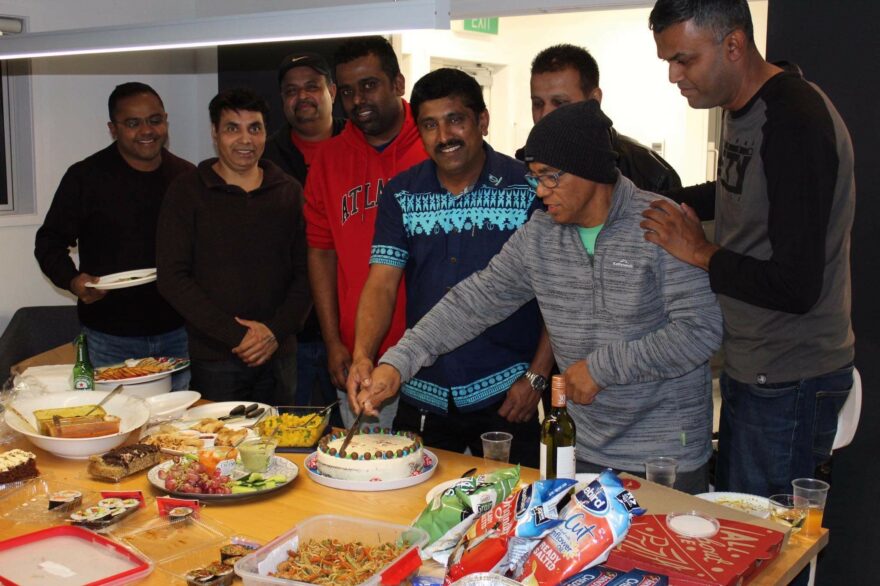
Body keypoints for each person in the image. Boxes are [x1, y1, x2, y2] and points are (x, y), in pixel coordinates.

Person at [355, 100, 723, 494]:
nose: (540, 191)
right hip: (585, 449)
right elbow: (472, 302)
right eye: (534, 178)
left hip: (666, 455)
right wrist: (398, 362)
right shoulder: (540, 234)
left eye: (550, 177)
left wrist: (601, 369)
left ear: (591, 170)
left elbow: (699, 331)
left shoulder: (660, 223)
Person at [643, 0, 855, 498]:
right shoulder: (741, 109)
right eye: (668, 61)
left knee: (767, 553)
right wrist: (650, 200)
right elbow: (736, 194)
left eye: (684, 59)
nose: (674, 75)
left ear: (733, 45)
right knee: (742, 527)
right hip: (754, 367)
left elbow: (796, 285)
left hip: (788, 376)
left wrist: (699, 252)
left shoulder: (794, 122)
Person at [345, 68, 552, 465]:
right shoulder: (401, 193)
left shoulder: (529, 189)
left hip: (508, 394)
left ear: (482, 121)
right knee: (411, 511)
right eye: (429, 125)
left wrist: (536, 377)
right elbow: (382, 283)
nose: (444, 137)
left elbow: (556, 296)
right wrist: (363, 355)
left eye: (455, 119)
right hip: (422, 392)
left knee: (516, 514)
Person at [34, 82, 194, 389]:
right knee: (120, 425)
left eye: (155, 120)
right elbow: (49, 242)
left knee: (178, 429)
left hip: (179, 331)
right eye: (132, 123)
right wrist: (73, 281)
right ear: (113, 128)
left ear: (165, 120)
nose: (146, 130)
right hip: (111, 335)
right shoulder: (85, 177)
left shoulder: (186, 177)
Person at [304, 36, 428, 427]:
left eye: (369, 85)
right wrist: (333, 341)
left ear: (397, 83)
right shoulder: (328, 159)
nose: (358, 100)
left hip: (433, 354)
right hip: (361, 358)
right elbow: (321, 253)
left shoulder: (434, 146)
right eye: (347, 91)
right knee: (369, 474)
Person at [157, 88, 311, 402]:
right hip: (215, 358)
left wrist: (272, 332)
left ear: (266, 132)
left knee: (284, 447)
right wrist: (238, 335)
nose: (245, 140)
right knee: (219, 449)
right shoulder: (187, 191)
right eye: (232, 128)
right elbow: (172, 277)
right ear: (215, 133)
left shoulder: (289, 191)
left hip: (279, 353)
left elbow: (308, 273)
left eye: (255, 128)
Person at [262, 52, 344, 410]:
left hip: (356, 323)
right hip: (290, 330)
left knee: (354, 435)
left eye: (312, 86)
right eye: (291, 90)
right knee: (294, 429)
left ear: (333, 91)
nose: (302, 96)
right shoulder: (265, 157)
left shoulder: (358, 146)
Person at [521, 44, 682, 193]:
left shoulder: (650, 174)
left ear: (594, 100)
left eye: (560, 103)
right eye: (537, 103)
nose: (545, 115)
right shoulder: (521, 165)